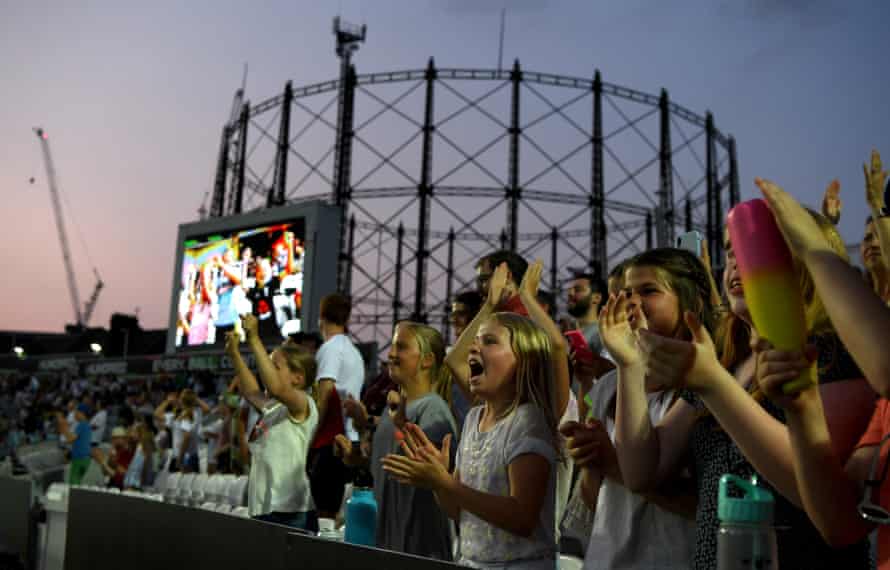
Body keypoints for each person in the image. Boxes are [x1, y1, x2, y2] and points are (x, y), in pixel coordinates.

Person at [611, 210, 874, 568]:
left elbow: (819, 493)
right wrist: (629, 366)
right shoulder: (724, 359)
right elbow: (642, 471)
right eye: (730, 251)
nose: (736, 262)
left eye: (752, 248)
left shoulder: (834, 353)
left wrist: (715, 387)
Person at [384, 310, 563, 570]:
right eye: (475, 342)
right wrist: (439, 481)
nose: (473, 348)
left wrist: (447, 483)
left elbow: (523, 518)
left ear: (525, 360)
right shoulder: (473, 418)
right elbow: (458, 511)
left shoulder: (528, 421)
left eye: (489, 341)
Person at [564, 249, 701, 569]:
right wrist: (590, 460)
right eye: (626, 293)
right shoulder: (608, 387)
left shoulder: (703, 389)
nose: (633, 302)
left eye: (649, 291)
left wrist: (613, 462)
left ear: (688, 300)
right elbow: (594, 501)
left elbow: (706, 505)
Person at [336, 322, 458, 559]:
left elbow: (434, 469)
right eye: (392, 346)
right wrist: (359, 460)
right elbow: (392, 464)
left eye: (401, 347)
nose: (391, 354)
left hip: (418, 550)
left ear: (427, 360)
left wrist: (401, 426)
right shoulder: (392, 410)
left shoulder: (433, 409)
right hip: (390, 545)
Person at [225, 314, 319, 531]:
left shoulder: (303, 402)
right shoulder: (275, 408)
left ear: (298, 378)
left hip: (291, 513)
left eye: (273, 366)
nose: (265, 371)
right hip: (267, 510)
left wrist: (255, 338)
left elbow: (276, 387)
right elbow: (251, 392)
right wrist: (234, 354)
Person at [308, 293, 365, 519]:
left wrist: (308, 440)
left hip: (331, 443)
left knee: (324, 518)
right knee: (333, 516)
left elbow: (323, 398)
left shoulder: (330, 348)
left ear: (321, 318)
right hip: (349, 441)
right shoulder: (354, 352)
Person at [475, 250, 529, 316]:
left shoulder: (521, 316)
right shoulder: (503, 312)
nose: (479, 286)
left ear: (507, 276)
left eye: (484, 279)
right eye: (479, 281)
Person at [57, 404, 93, 485]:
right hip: (85, 459)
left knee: (74, 484)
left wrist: (64, 427)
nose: (75, 414)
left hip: (79, 459)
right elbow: (72, 440)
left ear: (81, 413)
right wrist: (64, 428)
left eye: (76, 412)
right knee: (78, 483)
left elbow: (70, 439)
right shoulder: (86, 424)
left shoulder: (82, 425)